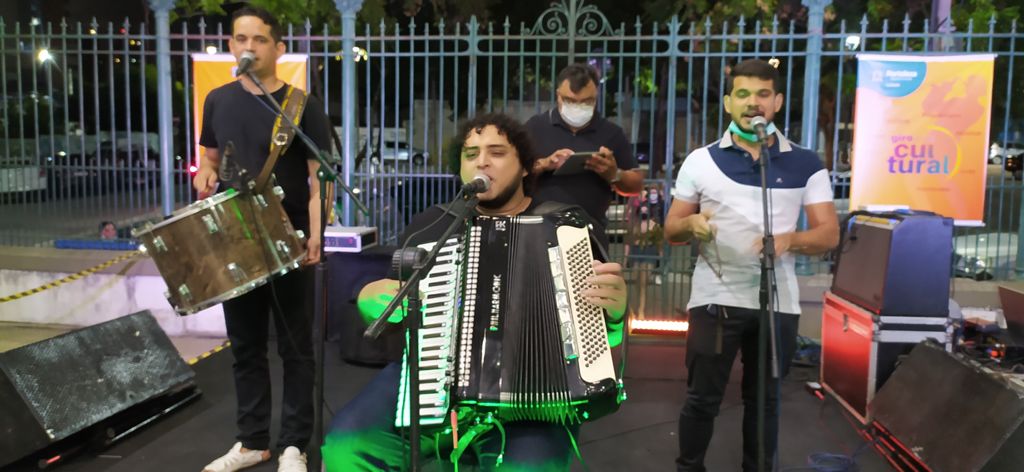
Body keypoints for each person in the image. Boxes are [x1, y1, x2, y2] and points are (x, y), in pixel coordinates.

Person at [322, 113, 628, 471]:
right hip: (431, 381)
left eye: (497, 152)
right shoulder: (432, 225)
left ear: (527, 167)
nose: (482, 161)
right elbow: (391, 306)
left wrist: (617, 316)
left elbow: (607, 349)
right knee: (346, 447)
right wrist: (369, 297)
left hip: (533, 402)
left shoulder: (566, 227)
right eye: (471, 154)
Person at [664, 59, 839, 472]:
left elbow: (829, 234)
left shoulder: (806, 163)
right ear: (728, 103)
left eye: (762, 94)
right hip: (715, 298)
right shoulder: (700, 161)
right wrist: (690, 223)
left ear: (777, 102)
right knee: (702, 399)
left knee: (765, 404)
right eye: (742, 94)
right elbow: (671, 228)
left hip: (778, 303)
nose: (752, 103)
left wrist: (791, 239)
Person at [193, 6, 332, 472]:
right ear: (231, 45)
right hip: (236, 239)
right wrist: (206, 173)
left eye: (258, 40)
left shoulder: (301, 106)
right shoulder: (217, 100)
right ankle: (252, 441)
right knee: (246, 345)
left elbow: (321, 180)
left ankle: (294, 444)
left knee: (295, 346)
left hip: (287, 239)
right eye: (239, 39)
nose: (247, 47)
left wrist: (316, 234)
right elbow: (208, 158)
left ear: (278, 48)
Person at [527, 63, 644, 249]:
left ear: (596, 96)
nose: (577, 107)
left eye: (586, 101)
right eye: (570, 100)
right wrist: (544, 164)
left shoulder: (611, 133)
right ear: (558, 95)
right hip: (538, 232)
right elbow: (514, 174)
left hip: (590, 236)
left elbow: (636, 185)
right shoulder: (536, 127)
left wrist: (615, 174)